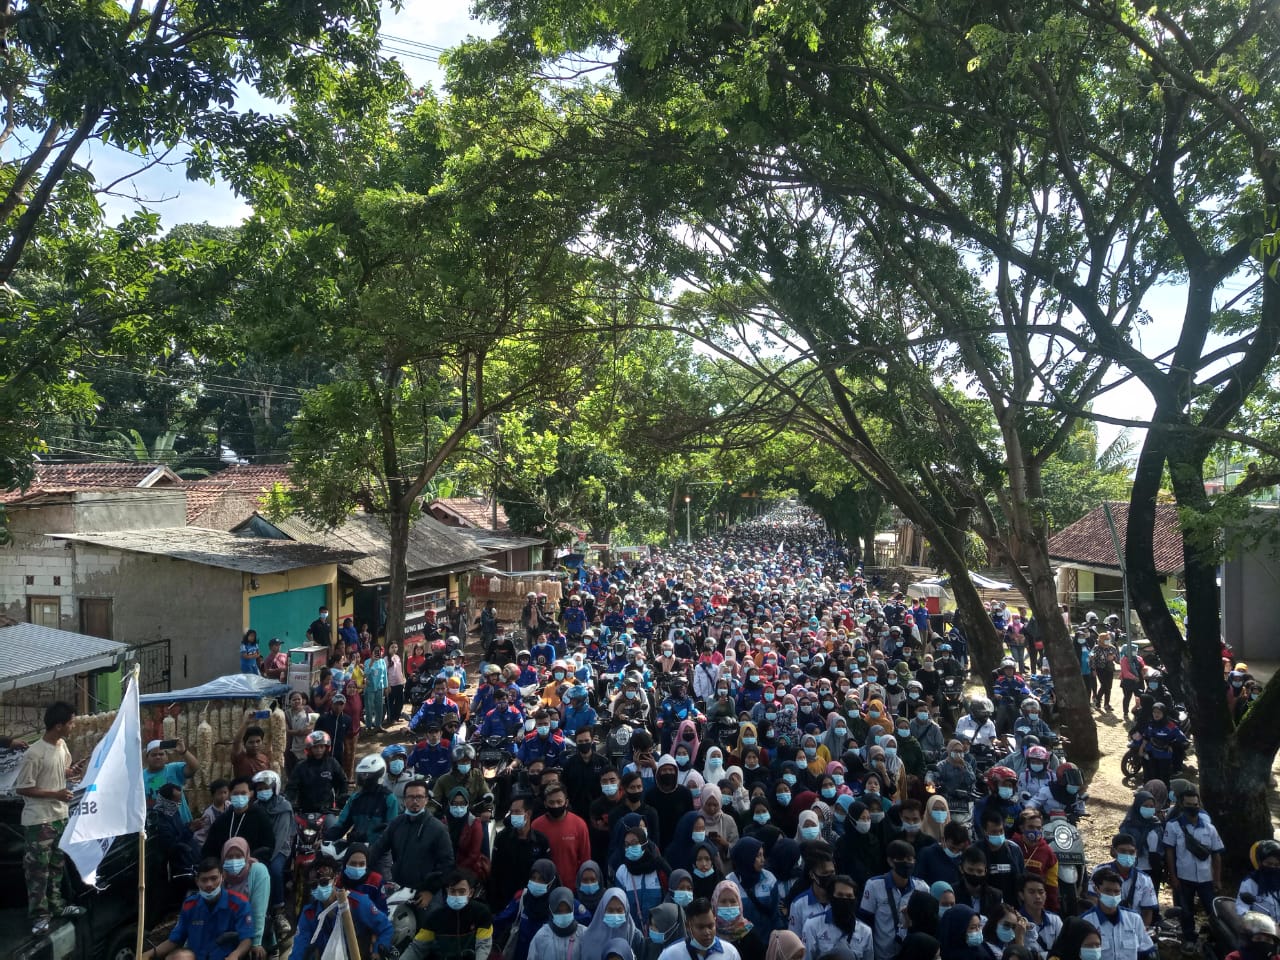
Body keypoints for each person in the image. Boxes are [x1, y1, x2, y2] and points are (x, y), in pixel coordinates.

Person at [16, 700, 85, 936]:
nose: (73, 726)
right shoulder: (33, 753)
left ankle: (56, 906)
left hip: (60, 817)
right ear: (58, 725)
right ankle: (39, 917)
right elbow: (23, 788)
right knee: (38, 871)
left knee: (56, 866)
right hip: (39, 821)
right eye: (70, 723)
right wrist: (55, 793)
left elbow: (60, 770)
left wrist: (71, 771)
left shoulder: (61, 745)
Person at [143, 857, 254, 960]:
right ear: (197, 881)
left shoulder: (239, 903)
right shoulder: (190, 905)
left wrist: (236, 954)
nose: (209, 884)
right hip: (196, 957)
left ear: (222, 877)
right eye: (204, 880)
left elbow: (247, 939)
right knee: (180, 956)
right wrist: (148, 955)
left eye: (213, 878)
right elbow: (175, 940)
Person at [291, 854, 395, 960]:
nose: (319, 888)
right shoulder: (309, 913)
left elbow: (386, 928)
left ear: (335, 878)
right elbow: (299, 947)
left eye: (323, 882)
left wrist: (377, 952)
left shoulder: (357, 903)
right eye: (313, 885)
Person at [369, 778, 456, 891]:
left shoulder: (438, 828)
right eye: (410, 797)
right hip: (398, 888)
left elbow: (447, 864)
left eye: (419, 797)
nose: (415, 801)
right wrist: (361, 865)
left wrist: (431, 891)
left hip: (424, 892)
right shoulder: (396, 823)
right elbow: (378, 848)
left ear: (426, 800)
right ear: (404, 800)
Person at [1163, 787, 1223, 947]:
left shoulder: (1209, 828)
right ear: (1182, 805)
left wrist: (1217, 879)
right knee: (1185, 910)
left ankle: (1215, 940)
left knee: (1213, 911)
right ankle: (1189, 939)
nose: (1193, 807)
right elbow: (1169, 852)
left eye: (1195, 804)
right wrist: (1173, 876)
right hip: (1183, 877)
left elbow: (1217, 854)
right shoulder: (1173, 826)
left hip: (1206, 878)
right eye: (1189, 804)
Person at [858, 839, 929, 960]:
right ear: (890, 861)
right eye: (901, 859)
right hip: (883, 954)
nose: (906, 863)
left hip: (911, 954)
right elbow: (866, 922)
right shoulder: (874, 885)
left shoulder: (922, 888)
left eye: (910, 859)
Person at [407, 868, 494, 960]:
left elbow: (483, 946)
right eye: (452, 891)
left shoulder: (482, 913)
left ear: (471, 892)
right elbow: (417, 948)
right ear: (447, 891)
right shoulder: (436, 917)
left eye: (461, 891)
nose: (457, 896)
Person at [1079, 869, 1154, 960]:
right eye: (1107, 891)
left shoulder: (1134, 919)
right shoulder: (1086, 921)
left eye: (1116, 891)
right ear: (1096, 890)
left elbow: (1146, 951)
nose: (1113, 895)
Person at [533, 783, 592, 892]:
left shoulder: (579, 825)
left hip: (572, 888)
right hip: (543, 888)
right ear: (545, 803)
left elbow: (585, 859)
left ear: (566, 802)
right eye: (551, 802)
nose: (555, 806)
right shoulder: (536, 826)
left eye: (559, 802)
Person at [802, 874, 874, 960]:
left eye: (849, 896)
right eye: (840, 895)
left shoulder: (865, 931)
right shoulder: (812, 926)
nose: (844, 900)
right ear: (831, 897)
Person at [1088, 835, 1156, 926]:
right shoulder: (1100, 872)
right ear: (1113, 851)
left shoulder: (1144, 879)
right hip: (1104, 923)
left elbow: (1147, 912)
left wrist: (1141, 931)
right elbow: (1093, 900)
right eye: (1123, 851)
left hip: (1133, 925)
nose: (1127, 855)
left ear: (1136, 853)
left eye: (1131, 852)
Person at [220, 837, 270, 957]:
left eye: (238, 856)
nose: (234, 861)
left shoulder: (258, 871)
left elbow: (258, 909)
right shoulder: (221, 874)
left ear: (246, 856)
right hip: (226, 928)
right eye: (229, 857)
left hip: (251, 927)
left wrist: (256, 942)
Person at [202, 777, 275, 859]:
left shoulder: (260, 816)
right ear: (230, 795)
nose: (239, 797)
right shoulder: (222, 820)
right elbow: (209, 849)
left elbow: (268, 846)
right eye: (235, 794)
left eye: (243, 793)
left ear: (251, 793)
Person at [657, 897, 743, 960]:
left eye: (710, 926)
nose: (707, 932)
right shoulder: (670, 955)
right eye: (700, 927)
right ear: (688, 926)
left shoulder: (731, 953)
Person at [144, 736, 200, 823]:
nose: (158, 757)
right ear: (147, 758)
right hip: (155, 825)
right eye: (154, 755)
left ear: (167, 757)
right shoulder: (141, 777)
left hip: (181, 823)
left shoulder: (174, 769)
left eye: (161, 754)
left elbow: (194, 767)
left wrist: (183, 752)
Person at [529, 887, 586, 960]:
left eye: (567, 910)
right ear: (551, 910)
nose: (563, 914)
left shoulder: (583, 934)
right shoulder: (541, 936)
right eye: (558, 911)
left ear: (573, 908)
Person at [1017, 873, 1062, 960]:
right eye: (1031, 892)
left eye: (1041, 892)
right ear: (1021, 895)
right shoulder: (1017, 921)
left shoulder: (1055, 920)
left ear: (1045, 894)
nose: (1037, 897)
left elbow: (1063, 950)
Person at [1238, 840, 1280, 925]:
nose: (1273, 867)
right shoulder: (1249, 882)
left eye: (1276, 865)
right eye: (1269, 863)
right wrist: (1252, 922)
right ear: (1260, 862)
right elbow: (1241, 909)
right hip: (1261, 929)